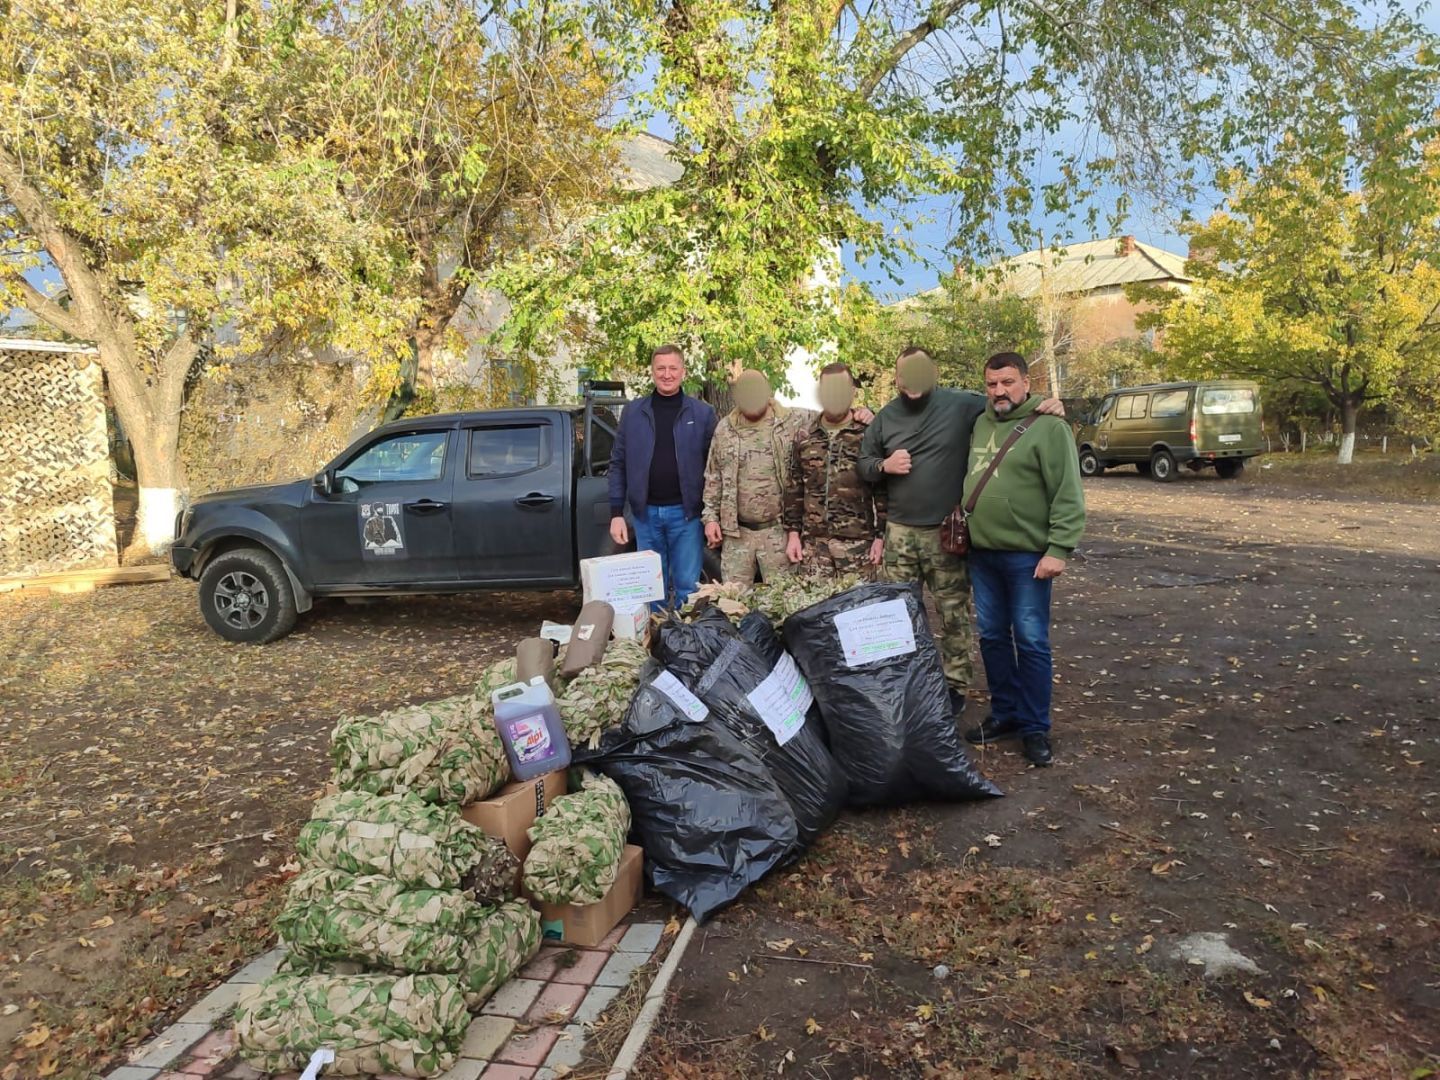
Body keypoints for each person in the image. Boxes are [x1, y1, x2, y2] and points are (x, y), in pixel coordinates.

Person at [858, 347, 1064, 717]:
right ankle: (905, 684)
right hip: (899, 533)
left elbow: (1008, 405)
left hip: (946, 533)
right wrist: (883, 465)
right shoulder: (885, 417)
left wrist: (1047, 404)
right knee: (896, 616)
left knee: (953, 615)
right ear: (898, 377)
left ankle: (955, 686)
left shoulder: (962, 404)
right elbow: (863, 464)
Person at [962, 352, 1086, 767]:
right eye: (991, 384)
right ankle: (1005, 713)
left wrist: (1059, 548)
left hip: (1027, 557)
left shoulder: (1050, 427)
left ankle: (1034, 727)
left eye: (1008, 382)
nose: (999, 391)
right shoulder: (979, 422)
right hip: (983, 554)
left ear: (1027, 383)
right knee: (992, 638)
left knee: (1031, 641)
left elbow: (1067, 491)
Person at [609, 344, 718, 609]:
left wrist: (712, 516)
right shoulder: (633, 413)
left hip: (687, 516)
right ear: (652, 371)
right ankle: (657, 633)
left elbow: (715, 469)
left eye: (672, 368)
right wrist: (616, 513)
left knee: (688, 587)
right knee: (650, 589)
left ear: (683, 371)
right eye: (661, 368)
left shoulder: (702, 414)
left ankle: (686, 635)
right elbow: (618, 463)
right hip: (645, 516)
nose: (667, 374)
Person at [702, 369, 812, 584]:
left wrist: (862, 413)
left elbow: (833, 417)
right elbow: (713, 476)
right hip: (737, 536)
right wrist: (710, 519)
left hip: (778, 534)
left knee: (781, 598)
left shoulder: (792, 420)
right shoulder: (725, 429)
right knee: (733, 598)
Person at [783, 362, 886, 578]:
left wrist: (881, 536)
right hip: (814, 547)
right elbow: (795, 489)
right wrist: (793, 534)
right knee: (814, 600)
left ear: (852, 391)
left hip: (858, 546)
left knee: (858, 600)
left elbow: (882, 489)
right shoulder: (805, 436)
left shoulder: (867, 434)